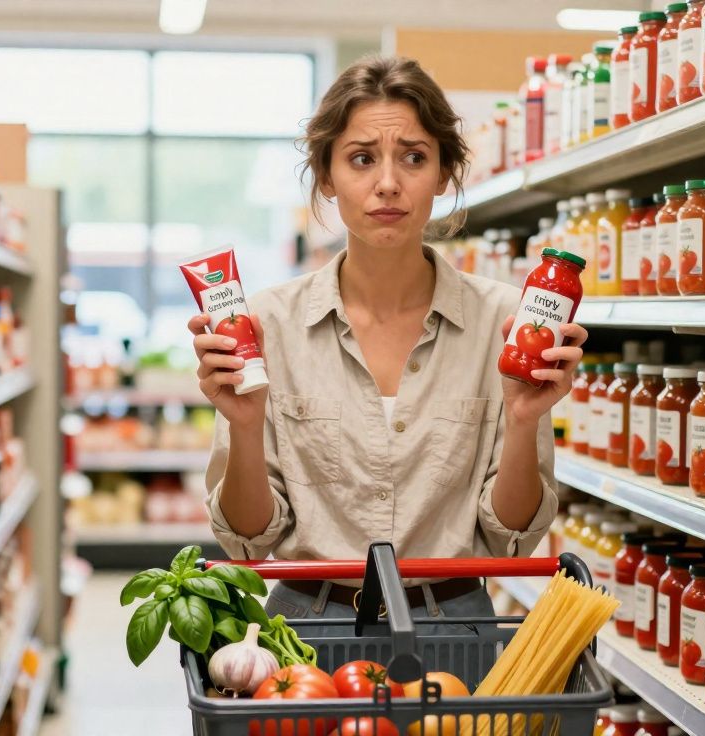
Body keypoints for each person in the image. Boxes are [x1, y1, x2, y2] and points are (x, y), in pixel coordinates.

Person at [189, 56, 588, 620]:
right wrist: (245, 427)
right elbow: (249, 540)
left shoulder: (506, 321)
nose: (387, 184)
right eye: (361, 159)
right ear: (326, 176)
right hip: (307, 630)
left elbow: (513, 537)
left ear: (445, 173)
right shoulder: (266, 324)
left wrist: (524, 420)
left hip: (454, 630)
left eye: (414, 158)